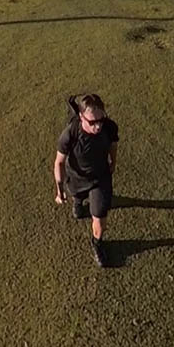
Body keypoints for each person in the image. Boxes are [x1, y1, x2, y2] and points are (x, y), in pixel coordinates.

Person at [53, 93, 119, 267]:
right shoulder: (71, 133)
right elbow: (59, 162)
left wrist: (113, 161)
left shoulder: (109, 127)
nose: (98, 126)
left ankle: (97, 243)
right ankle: (78, 202)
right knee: (78, 201)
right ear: (81, 117)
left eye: (100, 119)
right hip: (76, 178)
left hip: (100, 178)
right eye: (92, 122)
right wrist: (60, 191)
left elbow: (113, 144)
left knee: (100, 216)